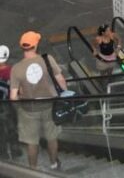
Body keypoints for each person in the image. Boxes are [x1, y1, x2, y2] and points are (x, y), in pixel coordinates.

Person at [10, 31, 67, 171]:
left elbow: (13, 97)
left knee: (32, 142)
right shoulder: (47, 59)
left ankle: (33, 170)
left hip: (29, 109)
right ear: (35, 45)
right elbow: (60, 79)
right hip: (49, 106)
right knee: (52, 138)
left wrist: (19, 107)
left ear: (22, 46)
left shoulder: (16, 68)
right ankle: (54, 163)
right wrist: (65, 96)